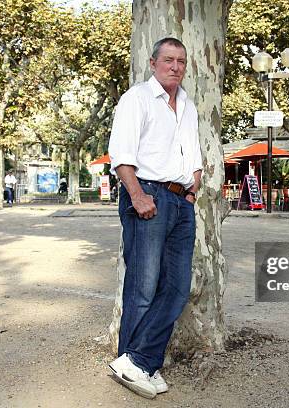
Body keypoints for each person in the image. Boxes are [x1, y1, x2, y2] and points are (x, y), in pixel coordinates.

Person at [107, 37, 202, 399]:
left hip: (181, 202)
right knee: (143, 288)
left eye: (180, 61)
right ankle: (134, 363)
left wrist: (192, 189)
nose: (175, 66)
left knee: (177, 289)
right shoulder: (137, 99)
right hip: (147, 195)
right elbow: (121, 154)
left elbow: (192, 152)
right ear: (153, 63)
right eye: (168, 60)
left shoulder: (188, 104)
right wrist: (137, 194)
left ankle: (139, 362)